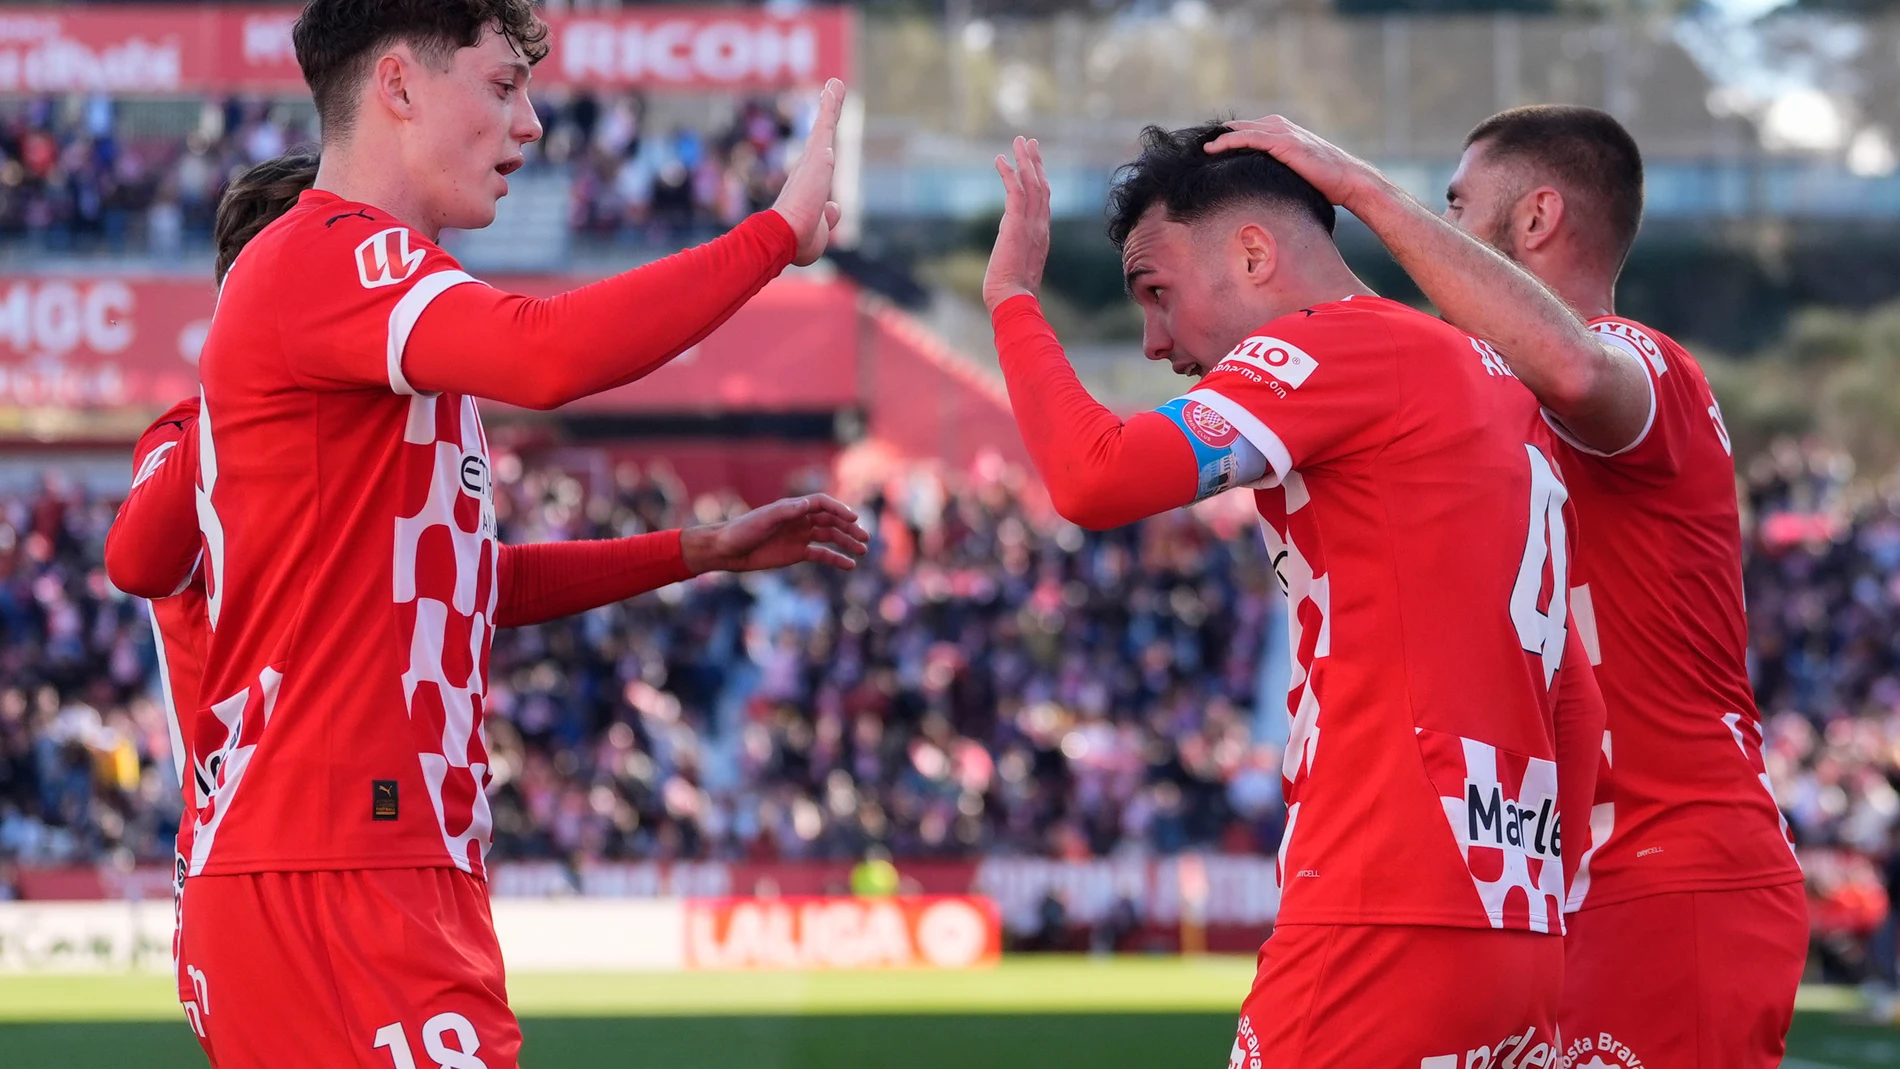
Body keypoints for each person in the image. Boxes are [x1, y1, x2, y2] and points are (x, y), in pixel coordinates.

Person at [175, 0, 849, 1062]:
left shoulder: (383, 304)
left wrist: (697, 550)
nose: (530, 123)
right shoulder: (325, 255)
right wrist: (771, 236)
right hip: (335, 860)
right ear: (398, 86)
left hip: (374, 853)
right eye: (501, 86)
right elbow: (548, 355)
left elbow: (466, 584)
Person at [982, 128, 1603, 1067]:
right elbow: (1577, 704)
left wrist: (1012, 300)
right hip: (1516, 926)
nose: (1155, 342)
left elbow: (1093, 476)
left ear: (1253, 254)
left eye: (1158, 292)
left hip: (1379, 907)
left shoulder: (1334, 346)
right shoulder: (1494, 386)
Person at [1213, 106, 1807, 1068]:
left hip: (1667, 867)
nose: (1437, 227)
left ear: (1536, 217)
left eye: (1455, 205)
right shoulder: (1481, 399)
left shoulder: (1648, 362)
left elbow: (1576, 368)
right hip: (1557, 884)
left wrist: (1360, 190)